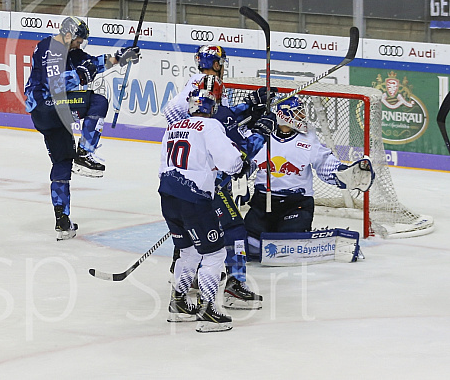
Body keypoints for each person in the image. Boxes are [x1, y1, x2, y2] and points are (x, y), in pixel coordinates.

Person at [163, 45, 276, 310]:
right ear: (216, 64)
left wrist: (248, 107)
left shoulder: (193, 100)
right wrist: (260, 128)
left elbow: (222, 118)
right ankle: (231, 287)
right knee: (233, 228)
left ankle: (183, 288)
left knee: (189, 240)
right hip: (203, 186)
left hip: (174, 184)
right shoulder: (209, 96)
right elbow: (235, 151)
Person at [24, 16, 140, 241]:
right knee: (98, 100)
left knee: (62, 162)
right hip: (47, 106)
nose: (80, 44)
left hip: (51, 114)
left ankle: (63, 221)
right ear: (68, 35)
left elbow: (92, 62)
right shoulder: (50, 48)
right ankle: (85, 152)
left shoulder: (70, 50)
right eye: (78, 40)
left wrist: (120, 57)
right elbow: (53, 83)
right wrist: (80, 75)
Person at [160, 75, 243, 332]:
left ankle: (180, 303)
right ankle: (208, 309)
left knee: (188, 252)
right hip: (194, 200)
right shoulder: (210, 127)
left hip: (167, 197)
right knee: (215, 253)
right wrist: (241, 164)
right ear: (212, 107)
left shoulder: (172, 128)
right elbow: (230, 162)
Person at [244, 95, 374, 258]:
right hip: (262, 203)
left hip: (296, 204)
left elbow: (323, 161)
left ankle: (307, 236)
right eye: (298, 113)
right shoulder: (261, 136)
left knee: (287, 247)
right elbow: (244, 164)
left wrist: (342, 174)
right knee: (249, 246)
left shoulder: (307, 137)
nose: (302, 117)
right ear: (283, 114)